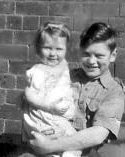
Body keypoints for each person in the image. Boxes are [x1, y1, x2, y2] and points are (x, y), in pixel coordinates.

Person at [28, 22, 125, 157]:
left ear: (113, 55)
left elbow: (98, 134)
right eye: (86, 54)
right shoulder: (66, 76)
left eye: (99, 56)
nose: (91, 61)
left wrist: (49, 146)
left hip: (84, 153)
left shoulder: (113, 91)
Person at [23, 21, 82, 157]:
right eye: (47, 48)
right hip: (46, 117)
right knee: (70, 143)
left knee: (72, 144)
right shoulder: (38, 71)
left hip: (58, 117)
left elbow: (62, 84)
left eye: (59, 49)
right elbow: (28, 94)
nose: (53, 53)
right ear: (38, 49)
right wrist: (48, 106)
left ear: (66, 50)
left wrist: (72, 90)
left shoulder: (62, 65)